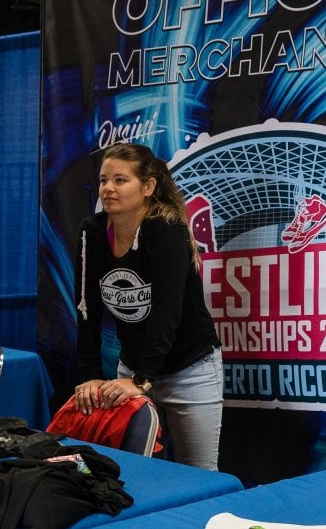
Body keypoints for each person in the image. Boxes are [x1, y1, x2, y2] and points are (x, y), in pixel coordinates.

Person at [72, 142, 224, 470]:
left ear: (148, 186)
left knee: (198, 474)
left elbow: (167, 313)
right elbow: (87, 310)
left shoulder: (166, 229)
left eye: (120, 180)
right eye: (103, 180)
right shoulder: (93, 231)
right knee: (129, 472)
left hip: (190, 369)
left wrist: (141, 380)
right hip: (132, 369)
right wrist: (91, 376)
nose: (108, 188)